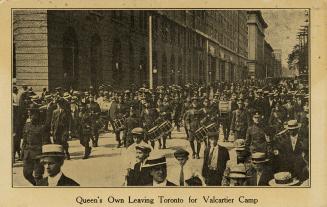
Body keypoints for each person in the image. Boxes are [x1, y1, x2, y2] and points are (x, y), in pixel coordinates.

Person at [21, 107, 50, 185]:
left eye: (31, 115)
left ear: (37, 115)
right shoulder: (27, 125)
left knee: (38, 176)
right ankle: (39, 185)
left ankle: (39, 188)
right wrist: (22, 153)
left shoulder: (42, 127)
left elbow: (46, 143)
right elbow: (24, 140)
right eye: (29, 116)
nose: (30, 117)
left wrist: (45, 156)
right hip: (28, 154)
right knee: (26, 174)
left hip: (38, 155)